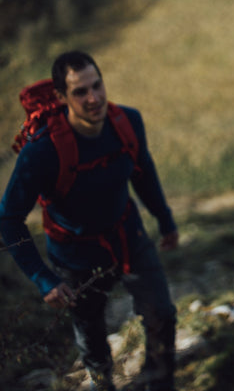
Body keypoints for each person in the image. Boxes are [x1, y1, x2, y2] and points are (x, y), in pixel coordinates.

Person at [0, 51, 179, 391]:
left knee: (161, 314)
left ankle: (160, 380)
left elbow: (143, 173)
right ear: (61, 96)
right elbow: (8, 218)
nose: (93, 98)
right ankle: (103, 383)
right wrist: (43, 279)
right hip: (74, 257)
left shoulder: (127, 122)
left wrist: (166, 220)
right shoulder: (41, 152)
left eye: (97, 85)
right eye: (80, 91)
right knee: (92, 335)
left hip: (129, 237)